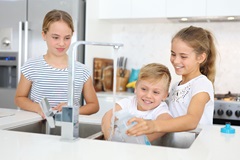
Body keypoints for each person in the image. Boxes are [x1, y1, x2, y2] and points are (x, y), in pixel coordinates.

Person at [126, 26, 216, 136]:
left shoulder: (202, 84)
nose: (176, 60)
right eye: (173, 54)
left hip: (196, 146)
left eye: (183, 56)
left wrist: (154, 125)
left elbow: (191, 120)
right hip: (179, 145)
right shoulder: (175, 86)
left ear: (201, 58)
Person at [15, 9, 99, 118]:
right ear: (44, 35)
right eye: (55, 37)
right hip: (38, 124)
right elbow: (19, 98)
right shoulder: (31, 66)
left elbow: (94, 105)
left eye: (67, 38)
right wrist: (37, 108)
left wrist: (73, 110)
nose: (62, 43)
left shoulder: (82, 70)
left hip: (70, 126)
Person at [101, 63, 172, 142]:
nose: (148, 95)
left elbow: (166, 123)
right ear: (136, 88)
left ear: (165, 95)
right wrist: (110, 138)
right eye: (144, 89)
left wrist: (136, 142)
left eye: (155, 92)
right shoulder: (129, 102)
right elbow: (108, 116)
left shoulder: (160, 109)